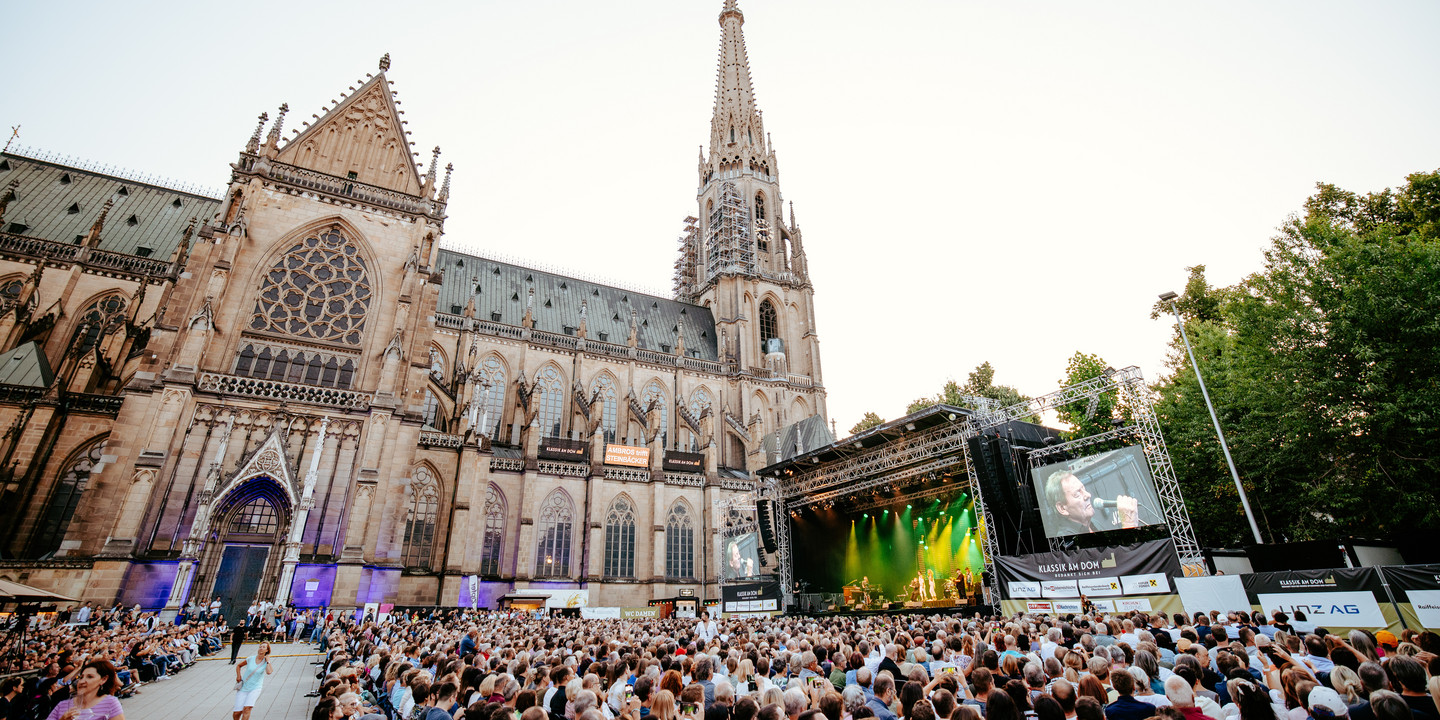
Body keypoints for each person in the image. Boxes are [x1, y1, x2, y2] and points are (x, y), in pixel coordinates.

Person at [1042, 470, 1138, 536]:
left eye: (1083, 489)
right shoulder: (1066, 539)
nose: (1088, 495)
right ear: (1062, 508)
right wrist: (1128, 525)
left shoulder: (1093, 524)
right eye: (1077, 494)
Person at [45, 659, 126, 720]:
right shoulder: (63, 705)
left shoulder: (110, 703)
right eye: (81, 677)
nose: (82, 681)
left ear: (103, 679)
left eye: (90, 677)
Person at [234, 641, 276, 720]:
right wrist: (238, 676)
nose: (261, 648)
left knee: (247, 708)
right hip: (243, 687)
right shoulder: (251, 658)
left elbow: (269, 672)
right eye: (260, 646)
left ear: (267, 650)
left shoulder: (266, 662)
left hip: (255, 688)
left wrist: (268, 661)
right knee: (237, 712)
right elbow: (239, 665)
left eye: (263, 647)